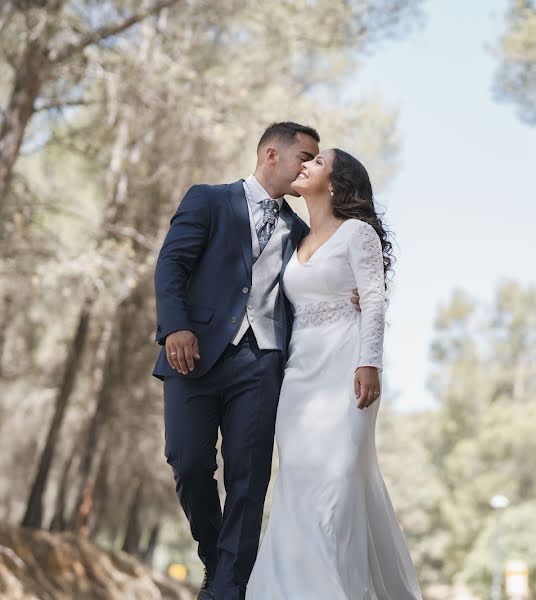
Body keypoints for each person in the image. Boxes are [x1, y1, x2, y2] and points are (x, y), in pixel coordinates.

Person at [154, 122, 326, 600]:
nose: (310, 166)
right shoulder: (209, 199)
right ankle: (215, 553)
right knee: (187, 462)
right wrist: (176, 327)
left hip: (262, 362)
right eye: (305, 156)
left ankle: (229, 587)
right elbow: (172, 265)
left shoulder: (299, 231)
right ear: (272, 154)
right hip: (195, 354)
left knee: (248, 478)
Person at [246, 148, 422, 599]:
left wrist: (370, 362)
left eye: (317, 162)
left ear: (338, 183)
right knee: (297, 489)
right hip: (299, 378)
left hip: (347, 371)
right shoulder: (297, 238)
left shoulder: (357, 233)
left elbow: (375, 298)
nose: (304, 165)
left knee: (335, 492)